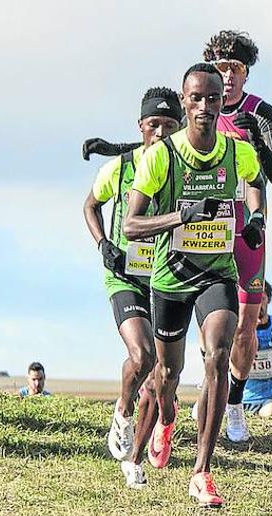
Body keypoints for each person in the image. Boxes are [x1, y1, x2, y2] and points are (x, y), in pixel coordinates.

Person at [123, 63, 264, 507]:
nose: (205, 107)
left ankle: (202, 470)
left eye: (213, 99)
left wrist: (256, 217)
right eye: (197, 99)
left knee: (219, 354)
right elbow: (130, 225)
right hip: (171, 276)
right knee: (167, 372)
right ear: (185, 102)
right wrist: (180, 217)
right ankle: (165, 419)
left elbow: (255, 181)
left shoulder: (235, 150)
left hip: (217, 270)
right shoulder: (160, 156)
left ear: (223, 103)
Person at [83, 86, 183, 489]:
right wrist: (104, 244)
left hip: (167, 276)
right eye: (153, 125)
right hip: (125, 274)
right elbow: (90, 205)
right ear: (141, 126)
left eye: (169, 126)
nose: (160, 133)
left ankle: (138, 455)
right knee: (141, 356)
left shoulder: (184, 169)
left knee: (163, 376)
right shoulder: (120, 168)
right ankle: (122, 411)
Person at [200, 31, 272, 445]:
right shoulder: (199, 107)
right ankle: (210, 392)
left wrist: (255, 137)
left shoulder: (261, 110)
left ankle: (234, 401)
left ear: (246, 73)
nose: (228, 78)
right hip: (205, 228)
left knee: (247, 327)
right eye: (221, 69)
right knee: (211, 320)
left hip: (249, 230)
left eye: (235, 69)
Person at [242, 282, 272, 416]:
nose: (258, 304)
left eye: (262, 299)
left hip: (270, 396)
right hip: (243, 395)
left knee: (268, 415)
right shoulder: (239, 328)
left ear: (268, 300)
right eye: (253, 300)